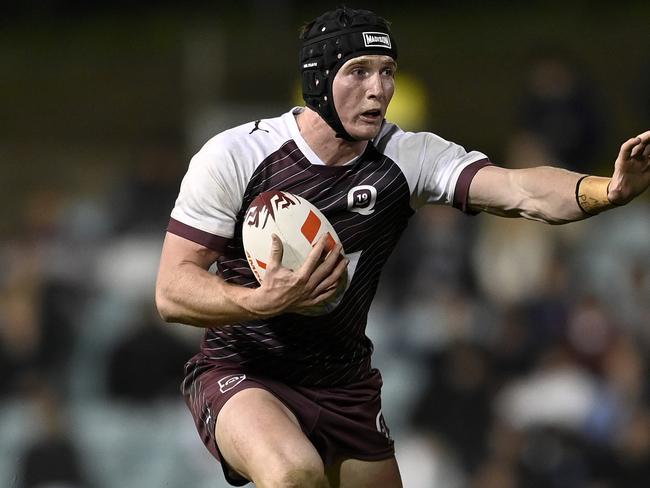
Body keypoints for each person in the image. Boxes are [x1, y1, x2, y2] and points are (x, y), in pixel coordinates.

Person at [155, 7, 650, 487]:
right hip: (243, 370)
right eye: (359, 72)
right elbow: (172, 292)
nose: (379, 89)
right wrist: (258, 302)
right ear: (319, 80)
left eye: (387, 71)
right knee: (292, 474)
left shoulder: (405, 156)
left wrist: (605, 190)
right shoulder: (236, 156)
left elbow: (520, 190)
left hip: (343, 383)